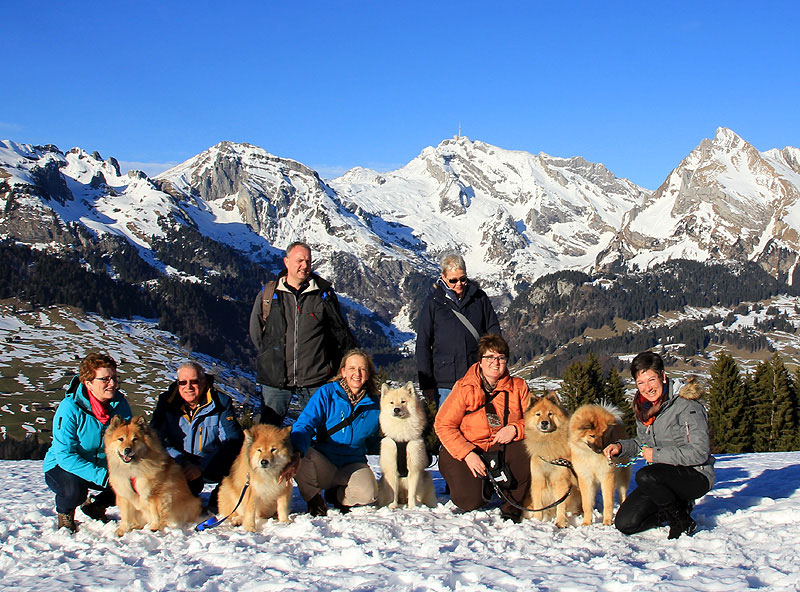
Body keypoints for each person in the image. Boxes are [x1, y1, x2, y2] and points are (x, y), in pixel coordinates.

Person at [604, 351, 715, 539]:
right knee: (626, 523)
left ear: (663, 376)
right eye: (641, 383)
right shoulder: (644, 409)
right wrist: (621, 447)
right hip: (660, 479)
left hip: (695, 475)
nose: (647, 388)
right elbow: (643, 444)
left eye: (651, 380)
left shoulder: (687, 406)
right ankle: (675, 506)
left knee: (645, 476)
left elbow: (699, 453)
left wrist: (656, 456)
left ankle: (681, 520)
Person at [250, 241, 357, 425]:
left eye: (308, 261)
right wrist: (270, 357)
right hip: (276, 380)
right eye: (300, 260)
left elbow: (338, 332)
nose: (305, 266)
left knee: (319, 433)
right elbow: (256, 333)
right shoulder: (268, 295)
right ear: (286, 262)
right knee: (268, 434)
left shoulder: (323, 295)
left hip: (314, 380)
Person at [434, 334, 531, 522]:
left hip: (501, 447)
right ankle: (484, 486)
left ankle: (512, 505)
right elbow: (443, 424)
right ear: (480, 361)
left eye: (501, 358)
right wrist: (468, 453)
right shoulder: (464, 387)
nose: (495, 362)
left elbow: (535, 420)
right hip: (469, 449)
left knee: (527, 450)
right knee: (469, 500)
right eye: (490, 357)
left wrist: (516, 428)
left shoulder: (518, 387)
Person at [43, 352, 132, 532]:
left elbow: (129, 442)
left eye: (114, 378)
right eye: (105, 379)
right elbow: (65, 455)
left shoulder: (120, 405)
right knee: (74, 491)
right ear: (88, 383)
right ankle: (66, 513)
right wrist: (104, 477)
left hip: (102, 465)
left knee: (136, 481)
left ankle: (96, 505)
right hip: (62, 466)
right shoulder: (70, 408)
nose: (112, 384)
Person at [286, 348, 381, 516]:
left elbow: (373, 441)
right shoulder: (327, 393)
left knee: (369, 494)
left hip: (352, 463)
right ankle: (313, 498)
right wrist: (297, 450)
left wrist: (400, 448)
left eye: (362, 369)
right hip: (323, 461)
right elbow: (305, 424)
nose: (357, 373)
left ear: (368, 374)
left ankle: (338, 496)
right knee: (302, 454)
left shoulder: (375, 405)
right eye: (352, 368)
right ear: (343, 372)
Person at [150, 361, 243, 512]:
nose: (188, 387)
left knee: (239, 462)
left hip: (211, 462)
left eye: (194, 381)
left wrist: (201, 466)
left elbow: (232, 441)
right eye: (183, 382)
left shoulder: (220, 402)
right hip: (179, 465)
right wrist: (182, 461)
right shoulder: (166, 402)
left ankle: (219, 500)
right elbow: (155, 439)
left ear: (203, 381)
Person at [416, 252, 501, 407]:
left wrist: (494, 363)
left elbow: (493, 330)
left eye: (463, 279)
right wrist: (426, 383)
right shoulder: (433, 303)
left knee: (478, 426)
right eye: (453, 280)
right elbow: (423, 343)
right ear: (443, 277)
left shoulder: (479, 298)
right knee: (447, 427)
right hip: (445, 382)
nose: (459, 284)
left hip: (477, 376)